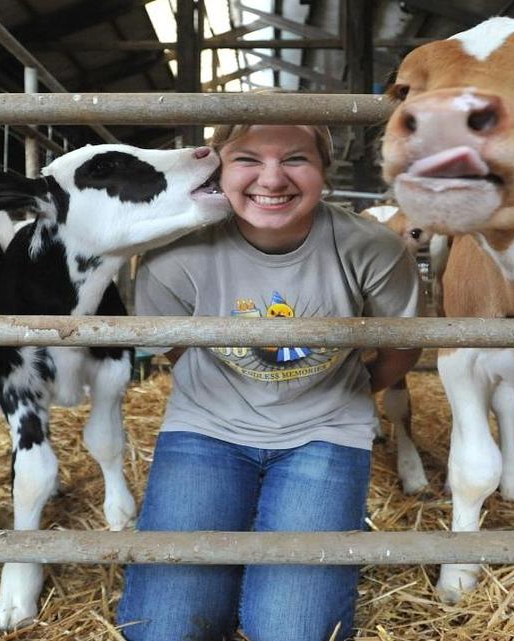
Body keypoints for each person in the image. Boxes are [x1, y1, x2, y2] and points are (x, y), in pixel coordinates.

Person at [116, 123, 422, 641]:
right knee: (164, 628)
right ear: (218, 166)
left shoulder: (371, 247)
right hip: (205, 429)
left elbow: (402, 347)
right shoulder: (175, 252)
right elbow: (171, 345)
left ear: (324, 170)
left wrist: (345, 391)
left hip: (326, 433)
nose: (273, 180)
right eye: (248, 159)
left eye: (297, 159)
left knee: (293, 630)